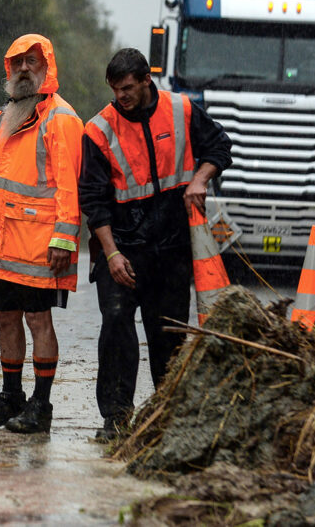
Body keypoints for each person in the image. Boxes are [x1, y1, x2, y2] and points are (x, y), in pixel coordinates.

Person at [79, 48, 232, 441]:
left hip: (171, 248)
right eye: (115, 89)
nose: (121, 96)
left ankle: (168, 415)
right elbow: (93, 200)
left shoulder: (180, 110)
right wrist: (111, 254)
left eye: (127, 88)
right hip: (123, 248)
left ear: (148, 79)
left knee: (168, 335)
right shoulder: (98, 130)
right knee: (115, 325)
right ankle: (115, 418)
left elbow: (220, 146)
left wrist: (200, 179)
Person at [0, 33, 85, 434]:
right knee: (5, 318)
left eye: (32, 61)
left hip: (40, 244)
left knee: (38, 320)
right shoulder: (5, 117)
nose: (24, 69)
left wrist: (64, 239)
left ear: (47, 66)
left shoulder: (61, 118)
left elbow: (69, 184)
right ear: (8, 70)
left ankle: (41, 405)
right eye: (17, 63)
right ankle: (11, 396)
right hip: (2, 244)